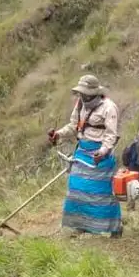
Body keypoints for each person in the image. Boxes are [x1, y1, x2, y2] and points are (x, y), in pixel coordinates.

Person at [48, 74, 123, 238]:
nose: (82, 96)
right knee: (77, 189)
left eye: (85, 93)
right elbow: (74, 126)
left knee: (102, 194)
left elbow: (111, 135)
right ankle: (81, 226)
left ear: (95, 92)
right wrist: (58, 134)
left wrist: (102, 152)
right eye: (81, 93)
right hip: (82, 152)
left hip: (100, 155)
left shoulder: (109, 108)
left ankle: (113, 228)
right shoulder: (80, 104)